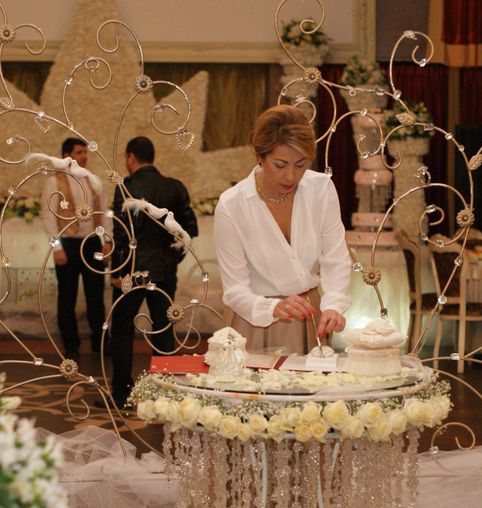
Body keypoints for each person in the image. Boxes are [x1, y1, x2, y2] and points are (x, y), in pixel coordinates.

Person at [214, 105, 351, 354]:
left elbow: (336, 258)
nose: (290, 176)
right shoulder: (232, 205)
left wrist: (334, 305)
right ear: (260, 156)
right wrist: (273, 308)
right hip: (251, 322)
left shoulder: (321, 189)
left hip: (308, 317)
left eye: (300, 164)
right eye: (280, 165)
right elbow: (234, 290)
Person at [110, 136, 198, 407]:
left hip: (131, 271)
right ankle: (165, 393)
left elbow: (121, 234)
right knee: (163, 330)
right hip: (164, 271)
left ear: (131, 157)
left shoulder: (126, 187)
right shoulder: (175, 187)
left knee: (122, 330)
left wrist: (116, 272)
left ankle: (122, 393)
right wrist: (172, 259)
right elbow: (188, 232)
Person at [40, 137, 112, 360]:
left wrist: (108, 241)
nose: (84, 156)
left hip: (92, 243)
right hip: (67, 244)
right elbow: (48, 216)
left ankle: (100, 343)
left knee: (96, 297)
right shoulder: (54, 182)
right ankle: (71, 346)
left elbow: (105, 212)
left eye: (85, 152)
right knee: (67, 297)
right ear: (66, 156)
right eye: (79, 152)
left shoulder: (93, 180)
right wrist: (56, 248)